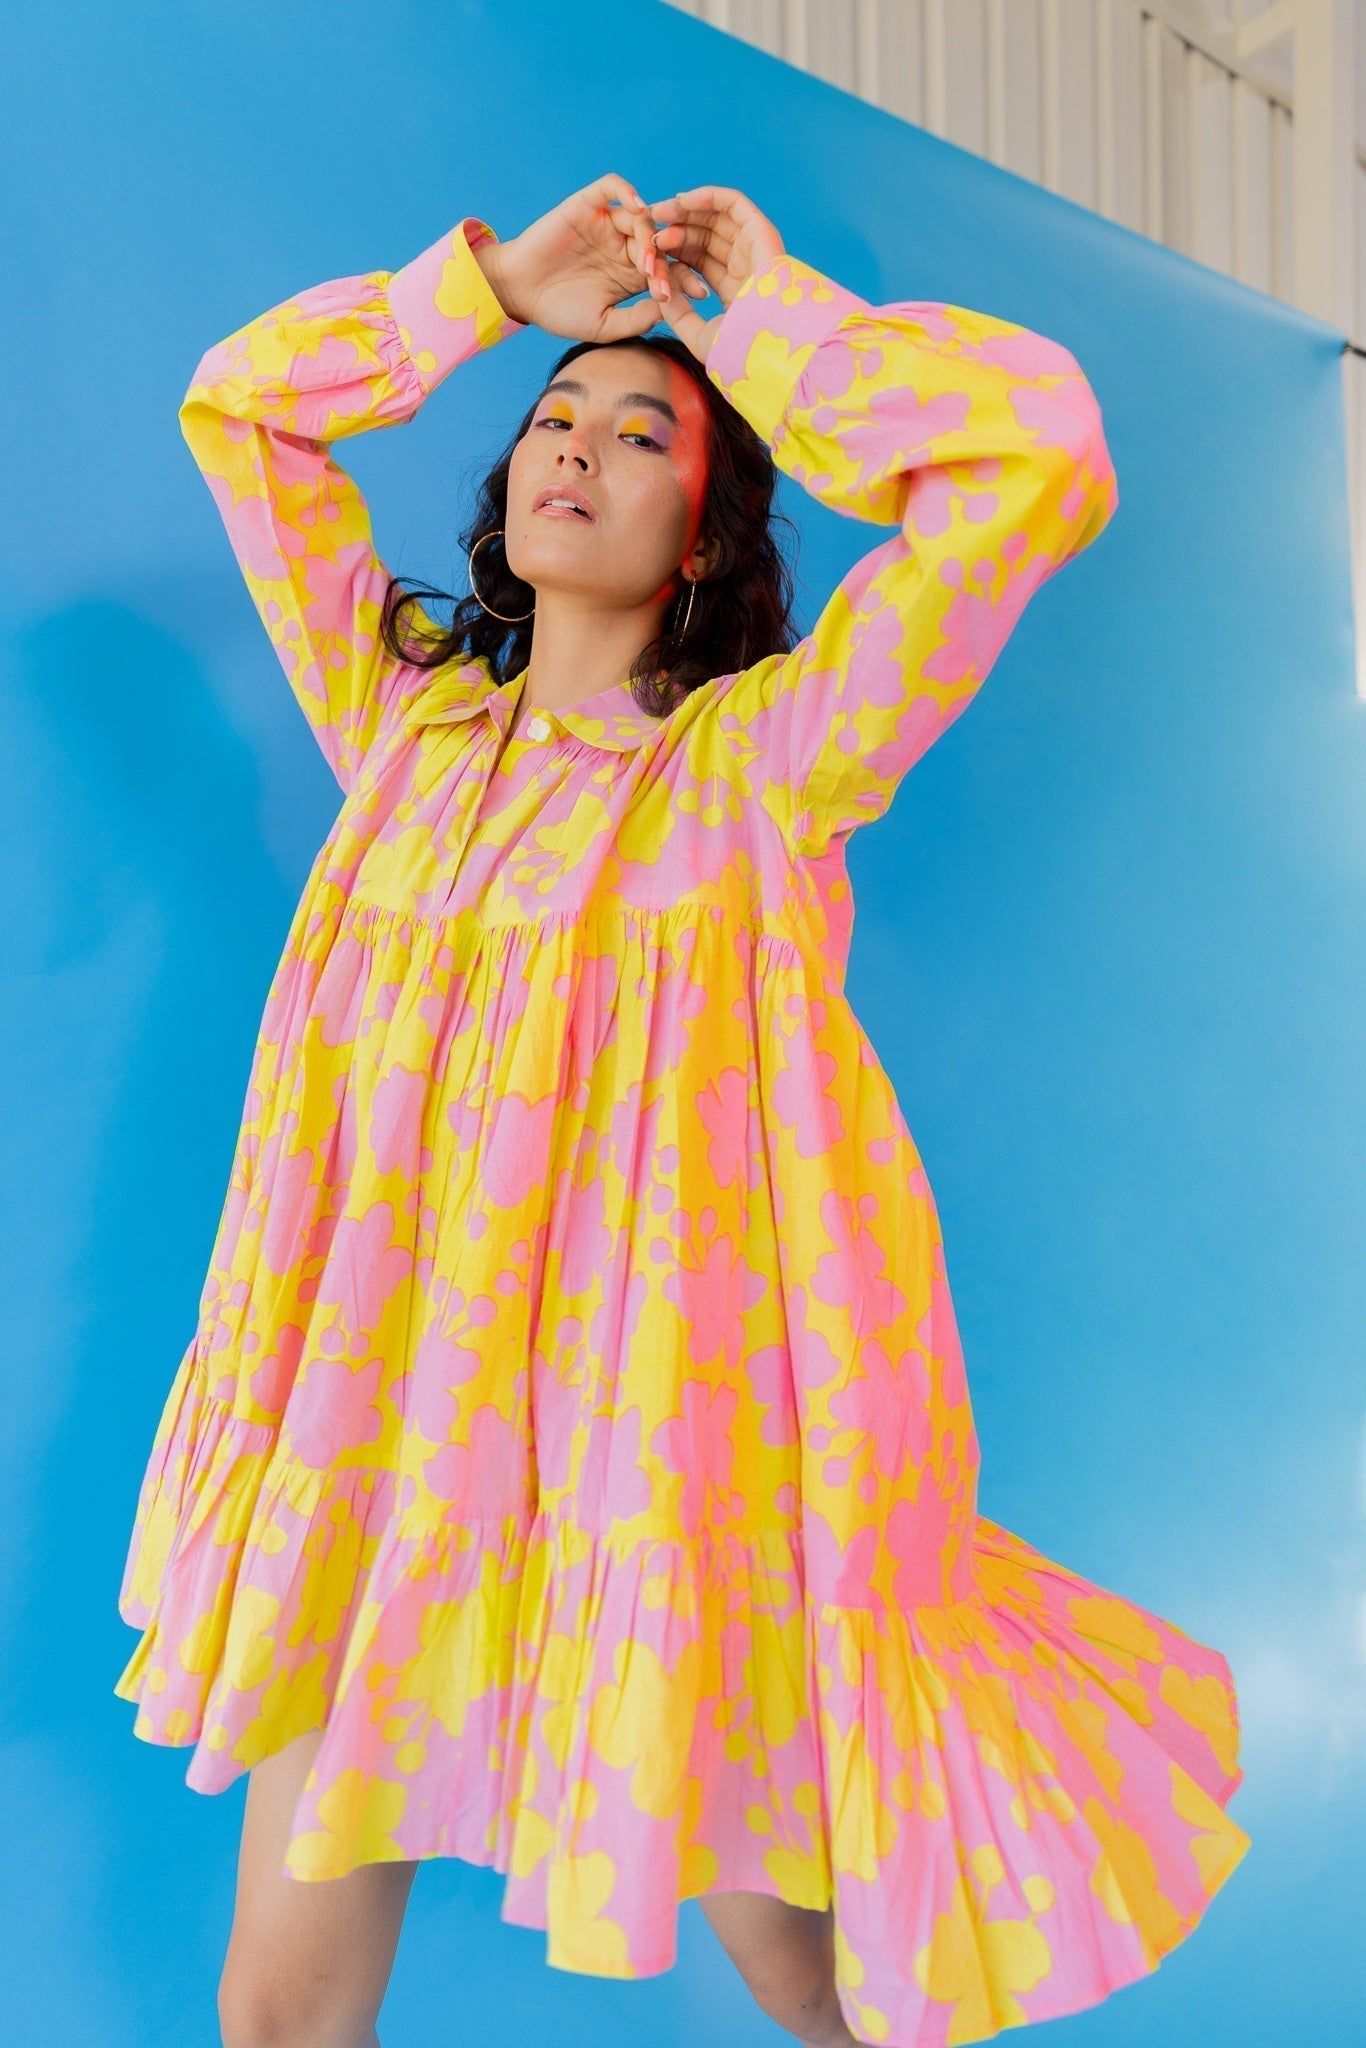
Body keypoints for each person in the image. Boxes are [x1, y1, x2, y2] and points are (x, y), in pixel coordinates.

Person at [113, 173, 1250, 2048]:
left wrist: (766, 324)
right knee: (277, 2013)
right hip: (378, 1447)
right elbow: (242, 410)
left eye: (642, 435)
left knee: (811, 1977)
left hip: (654, 1471)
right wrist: (489, 293)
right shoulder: (400, 733)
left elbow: (1034, 454)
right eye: (556, 418)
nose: (576, 442)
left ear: (705, 540)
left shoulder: (765, 768)